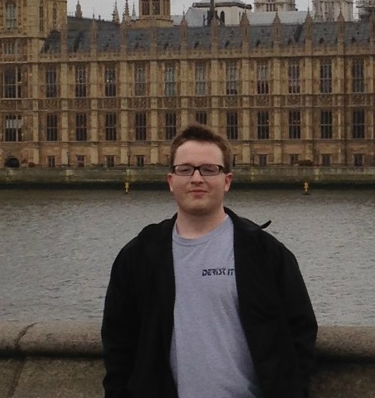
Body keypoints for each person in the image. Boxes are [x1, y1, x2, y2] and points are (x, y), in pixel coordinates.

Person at [101, 124, 318, 398]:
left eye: (208, 169)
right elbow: (118, 344)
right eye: (186, 169)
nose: (196, 178)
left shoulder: (266, 253)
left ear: (227, 180)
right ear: (171, 181)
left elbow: (301, 335)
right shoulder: (139, 256)